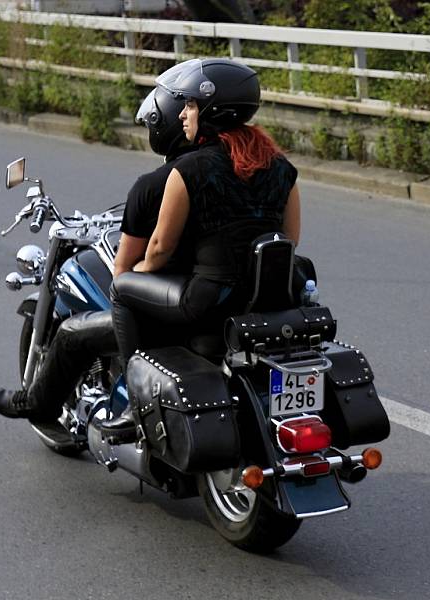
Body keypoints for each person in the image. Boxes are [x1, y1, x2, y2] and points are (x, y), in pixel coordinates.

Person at [100, 58, 301, 439]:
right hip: (266, 297)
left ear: (209, 112)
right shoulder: (281, 167)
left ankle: (134, 401)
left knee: (122, 290)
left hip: (208, 299)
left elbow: (159, 247)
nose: (184, 116)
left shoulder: (187, 171)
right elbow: (289, 239)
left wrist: (136, 273)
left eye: (190, 106)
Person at [0, 77, 200, 420]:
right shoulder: (258, 171)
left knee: (78, 328)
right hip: (215, 300)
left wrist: (136, 275)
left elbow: (144, 257)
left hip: (175, 307)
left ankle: (40, 403)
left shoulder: (159, 184)